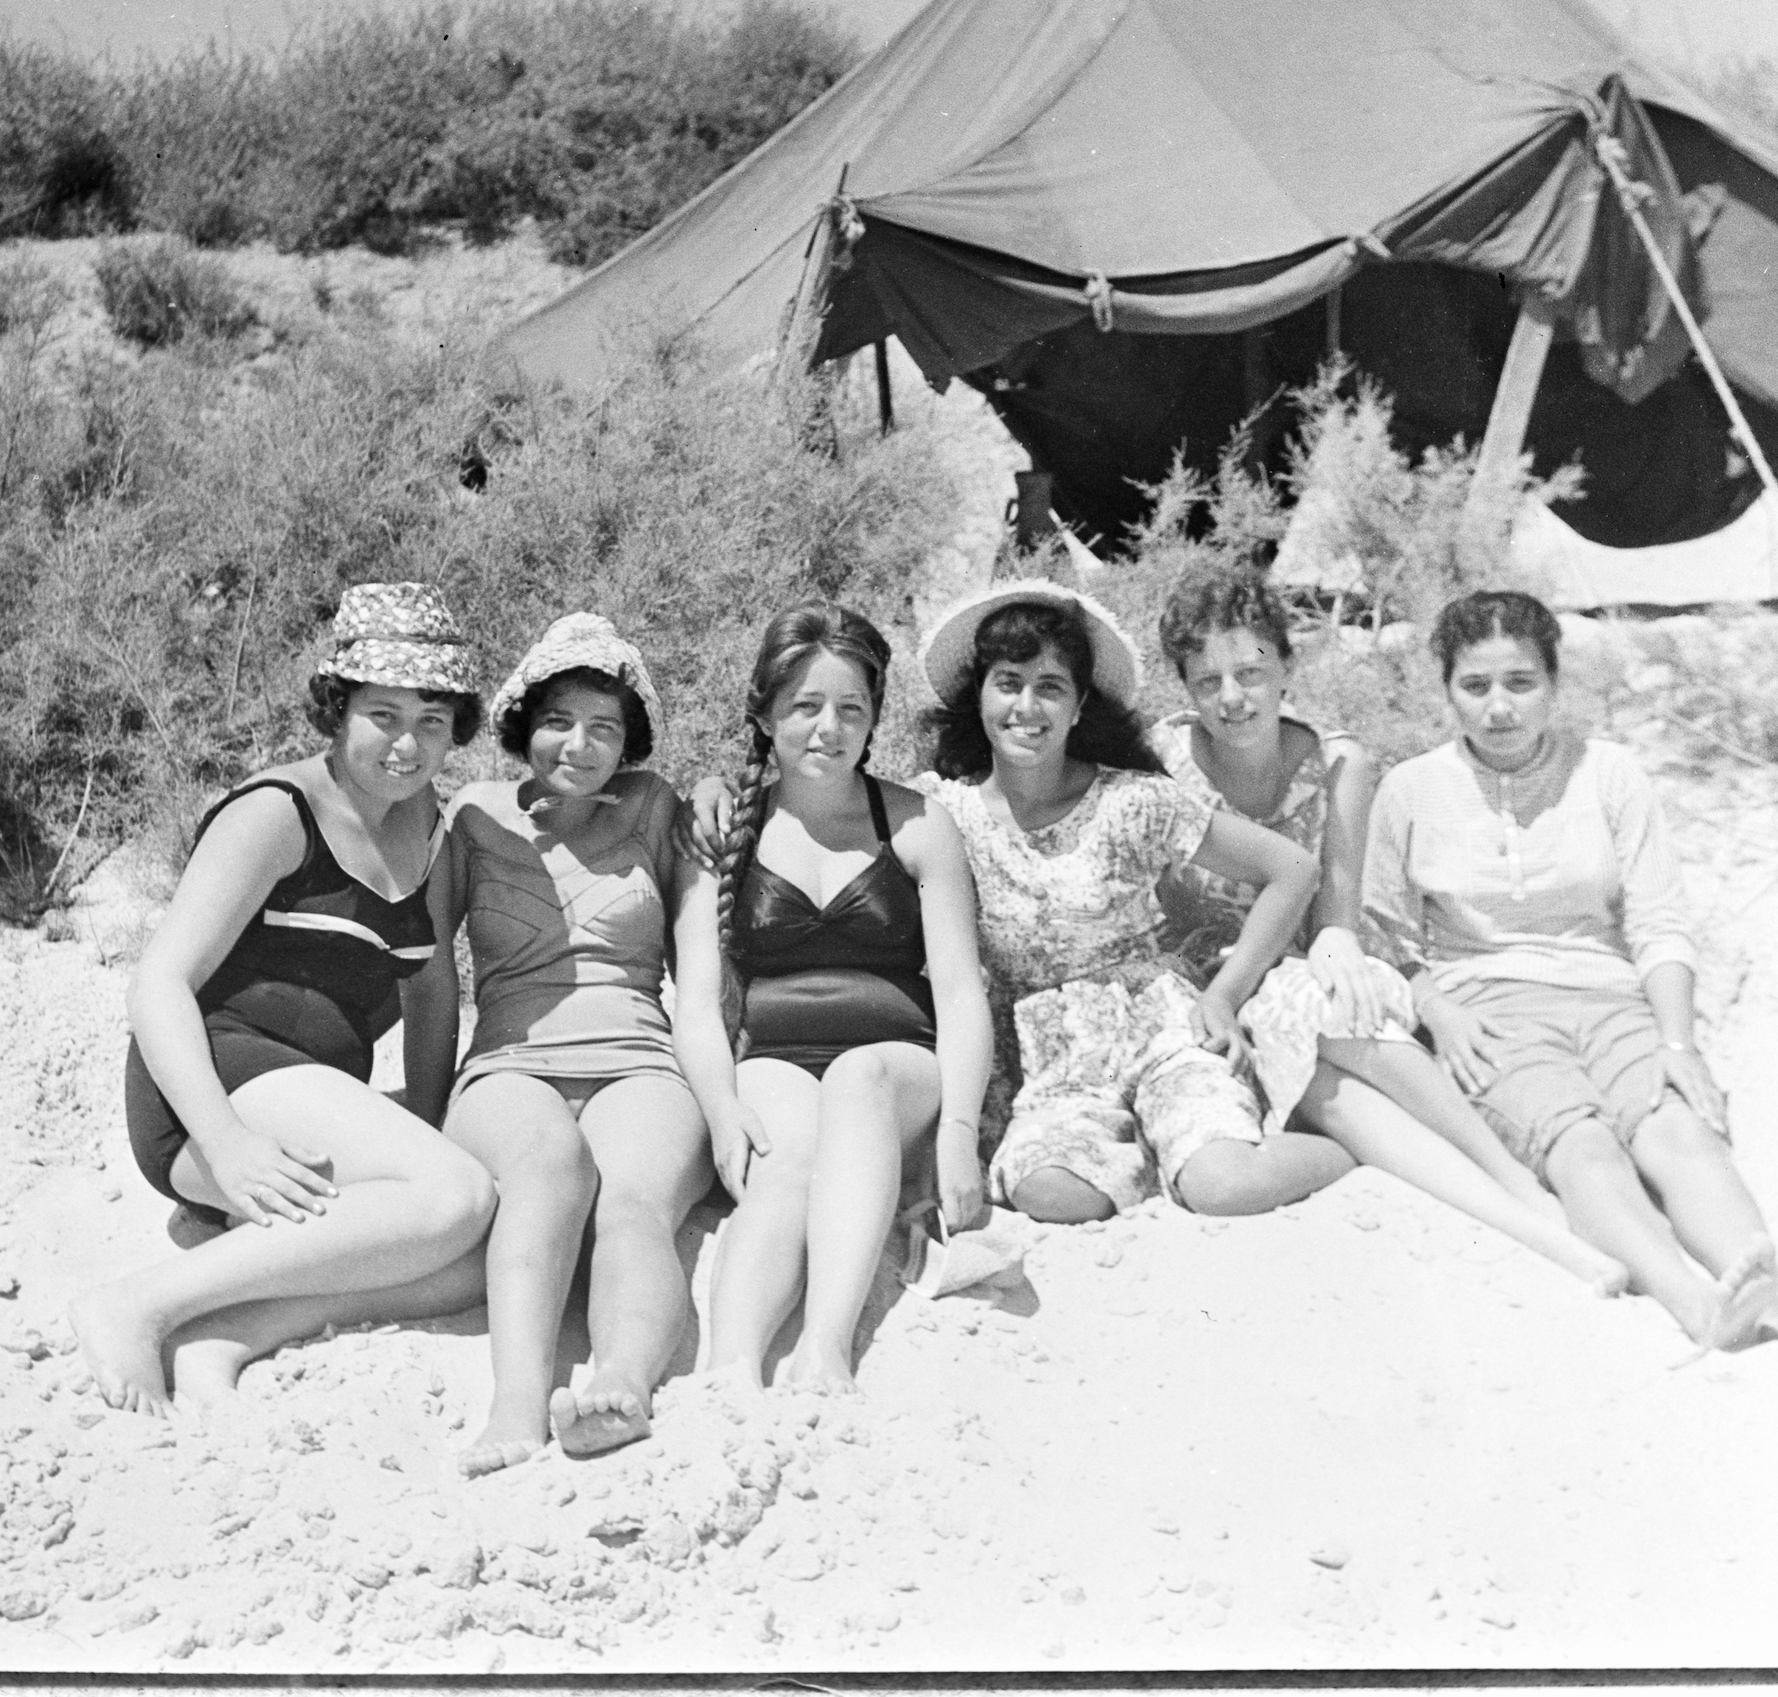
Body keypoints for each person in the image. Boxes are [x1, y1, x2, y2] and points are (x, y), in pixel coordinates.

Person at [1362, 587, 1778, 1351]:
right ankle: (1697, 1306)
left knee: (1675, 1128)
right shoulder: (1409, 790)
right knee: (1583, 1146)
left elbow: (1660, 923)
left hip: (1609, 997)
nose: (1499, 707)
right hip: (1489, 1011)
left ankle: (1774, 1295)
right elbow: (1384, 934)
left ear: (1554, 686)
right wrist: (1437, 1008)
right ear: (1446, 691)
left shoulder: (1611, 774)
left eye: (1520, 683)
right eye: (1475, 686)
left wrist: (1677, 1044)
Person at [73, 584, 498, 1415]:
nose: (408, 746)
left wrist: (431, 1117)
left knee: (474, 1248)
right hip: (212, 1084)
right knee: (455, 1198)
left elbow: (432, 985)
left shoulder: (428, 825)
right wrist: (224, 1140)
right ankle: (136, 1304)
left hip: (310, 1094)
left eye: (433, 722)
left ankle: (228, 1331)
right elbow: (157, 983)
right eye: (384, 714)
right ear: (337, 708)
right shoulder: (277, 813)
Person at [1150, 562, 1623, 1288]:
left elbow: (1336, 909)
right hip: (1203, 983)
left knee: (1332, 999)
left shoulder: (1339, 762)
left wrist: (1337, 950)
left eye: (1251, 670)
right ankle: (1534, 1222)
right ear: (1184, 687)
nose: (1233, 697)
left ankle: (1517, 1187)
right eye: (1207, 680)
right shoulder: (1165, 760)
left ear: (1286, 665)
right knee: (1324, 1067)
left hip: (1297, 975)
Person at [906, 579, 1366, 1224]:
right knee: (1051, 1194)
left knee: (1225, 1186)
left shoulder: (1132, 800)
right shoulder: (941, 811)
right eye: (1008, 682)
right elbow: (832, 806)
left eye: (1051, 687)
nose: (1026, 706)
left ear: (1078, 705)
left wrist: (1223, 995)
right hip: (1047, 1059)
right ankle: (1149, 1156)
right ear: (978, 694)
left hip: (1160, 1030)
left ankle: (1348, 1150)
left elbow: (1292, 869)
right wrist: (712, 792)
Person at [670, 603, 993, 1395]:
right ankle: (730, 1366)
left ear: (875, 717)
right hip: (775, 1059)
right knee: (787, 1162)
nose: (829, 728)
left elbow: (958, 990)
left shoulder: (917, 825)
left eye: (852, 708)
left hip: (898, 1064)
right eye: (805, 706)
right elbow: (699, 999)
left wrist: (957, 1132)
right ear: (763, 713)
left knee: (859, 1081)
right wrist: (718, 1108)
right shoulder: (725, 832)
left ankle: (826, 1345)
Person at [433, 613, 714, 1470]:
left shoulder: (664, 807)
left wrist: (728, 1112)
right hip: (511, 1064)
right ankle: (517, 1409)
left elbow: (699, 981)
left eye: (605, 727)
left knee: (633, 1204)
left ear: (630, 740)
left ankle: (622, 1386)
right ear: (524, 724)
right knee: (549, 1163)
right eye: (560, 720)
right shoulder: (469, 817)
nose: (580, 745)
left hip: (639, 1062)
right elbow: (432, 974)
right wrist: (419, 1107)